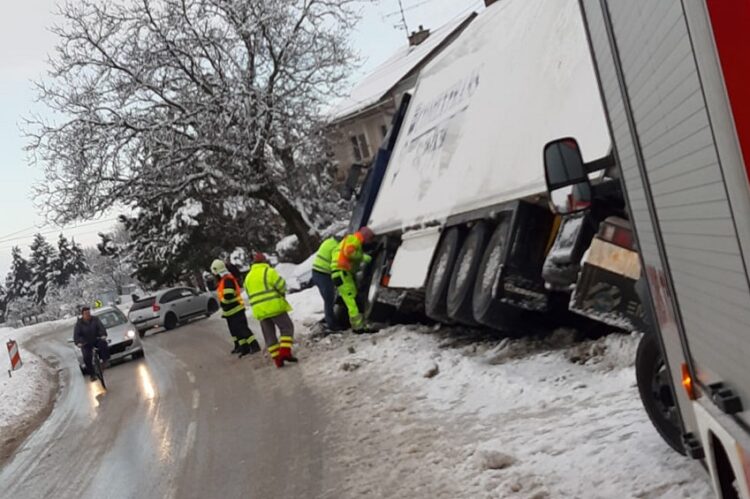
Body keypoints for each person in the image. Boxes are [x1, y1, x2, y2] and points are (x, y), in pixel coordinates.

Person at [244, 252, 296, 368]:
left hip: (260, 311)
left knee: (269, 336)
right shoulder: (268, 272)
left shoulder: (248, 277)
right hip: (274, 307)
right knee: (287, 328)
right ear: (264, 261)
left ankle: (278, 361)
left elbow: (248, 294)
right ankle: (285, 352)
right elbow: (281, 285)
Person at [211, 259, 261, 357]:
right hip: (231, 311)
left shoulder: (227, 280)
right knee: (236, 330)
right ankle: (244, 348)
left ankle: (254, 345)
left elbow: (229, 295)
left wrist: (223, 303)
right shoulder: (223, 280)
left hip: (236, 309)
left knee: (242, 329)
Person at [331, 226, 374, 333]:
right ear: (366, 236)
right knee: (352, 300)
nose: (369, 242)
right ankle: (358, 327)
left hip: (340, 273)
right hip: (342, 273)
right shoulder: (354, 239)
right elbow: (349, 252)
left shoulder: (351, 239)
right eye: (370, 238)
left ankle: (358, 326)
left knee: (351, 299)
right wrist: (362, 257)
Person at [311, 236, 341, 332]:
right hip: (323, 274)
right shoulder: (337, 247)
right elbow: (336, 263)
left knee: (329, 299)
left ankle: (331, 319)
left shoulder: (328, 241)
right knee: (329, 299)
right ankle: (332, 324)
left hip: (316, 272)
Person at [73, 305, 111, 381]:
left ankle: (105, 360)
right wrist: (79, 342)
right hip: (85, 343)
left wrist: (103, 335)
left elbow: (101, 328)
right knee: (87, 357)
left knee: (103, 344)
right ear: (82, 315)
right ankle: (92, 374)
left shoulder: (95, 319)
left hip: (96, 339)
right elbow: (76, 335)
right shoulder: (79, 324)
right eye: (86, 313)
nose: (88, 315)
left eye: (88, 313)